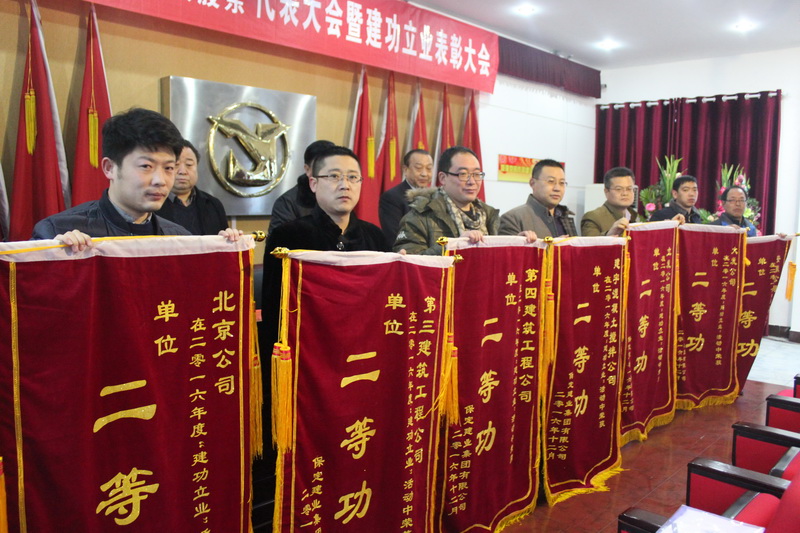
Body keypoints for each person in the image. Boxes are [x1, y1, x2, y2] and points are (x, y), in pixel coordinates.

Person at [32, 108, 242, 250]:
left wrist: (224, 250)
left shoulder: (180, 238)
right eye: (146, 166)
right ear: (110, 168)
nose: (160, 180)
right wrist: (54, 258)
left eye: (169, 168)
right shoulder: (57, 233)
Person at [261, 145, 389, 348]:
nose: (345, 185)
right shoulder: (288, 237)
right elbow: (274, 308)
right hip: (308, 349)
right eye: (334, 176)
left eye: (353, 177)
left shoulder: (375, 237)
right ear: (313, 183)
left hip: (363, 348)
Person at [394, 146, 510, 255]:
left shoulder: (489, 214)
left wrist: (517, 243)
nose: (472, 181)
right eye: (463, 174)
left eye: (476, 174)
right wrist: (454, 245)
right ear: (443, 178)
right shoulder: (420, 216)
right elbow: (410, 261)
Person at [156, 139, 228, 235]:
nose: (182, 171)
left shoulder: (213, 204)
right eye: (176, 165)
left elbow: (222, 240)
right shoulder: (154, 202)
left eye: (189, 165)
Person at [268, 139, 335, 236]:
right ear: (307, 170)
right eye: (320, 167)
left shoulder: (343, 195)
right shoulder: (287, 203)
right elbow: (278, 242)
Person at [499, 159, 578, 238]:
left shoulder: (564, 216)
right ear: (532, 183)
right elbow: (508, 246)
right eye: (551, 181)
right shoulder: (512, 219)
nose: (557, 188)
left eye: (562, 183)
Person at [378, 149, 434, 245]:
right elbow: (396, 236)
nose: (424, 174)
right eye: (418, 168)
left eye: (429, 168)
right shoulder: (392, 197)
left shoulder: (436, 197)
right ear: (405, 169)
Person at [581, 167, 638, 236]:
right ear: (606, 191)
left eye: (629, 189)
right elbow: (589, 242)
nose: (625, 193)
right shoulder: (593, 217)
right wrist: (609, 234)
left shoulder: (635, 216)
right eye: (618, 189)